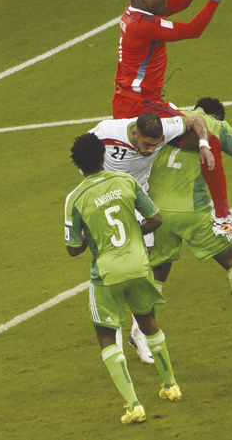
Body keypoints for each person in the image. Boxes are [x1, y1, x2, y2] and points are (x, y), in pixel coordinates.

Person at [110, 0, 232, 236]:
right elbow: (193, 29)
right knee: (209, 142)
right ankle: (223, 217)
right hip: (141, 105)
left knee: (149, 166)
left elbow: (178, 4)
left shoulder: (136, 12)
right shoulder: (143, 26)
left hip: (128, 100)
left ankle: (203, 215)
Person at [65, 133, 182, 425]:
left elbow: (72, 248)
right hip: (140, 265)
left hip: (107, 273)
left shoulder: (75, 198)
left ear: (78, 167)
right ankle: (171, 386)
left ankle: (133, 405)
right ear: (104, 158)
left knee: (105, 335)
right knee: (147, 321)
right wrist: (133, 230)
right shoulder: (126, 182)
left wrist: (88, 236)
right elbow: (155, 219)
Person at [147, 99, 232, 344]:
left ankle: (144, 335)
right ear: (217, 116)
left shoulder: (173, 118)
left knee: (158, 271)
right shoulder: (216, 125)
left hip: (155, 212)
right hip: (194, 211)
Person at [88, 111, 213, 363]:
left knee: (142, 269)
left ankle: (138, 332)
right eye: (147, 144)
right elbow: (82, 149)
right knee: (110, 271)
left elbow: (195, 121)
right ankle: (116, 341)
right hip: (107, 202)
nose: (151, 150)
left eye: (156, 145)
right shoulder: (106, 132)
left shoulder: (164, 128)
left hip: (137, 200)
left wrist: (203, 144)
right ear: (134, 133)